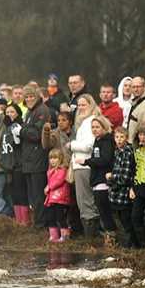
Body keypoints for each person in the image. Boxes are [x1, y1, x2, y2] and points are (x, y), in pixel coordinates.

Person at [67, 95, 102, 237]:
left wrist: (72, 145)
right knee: (85, 200)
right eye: (79, 105)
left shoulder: (89, 123)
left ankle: (91, 236)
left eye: (84, 105)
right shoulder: (84, 121)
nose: (80, 108)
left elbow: (89, 145)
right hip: (81, 165)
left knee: (85, 200)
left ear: (91, 105)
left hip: (84, 165)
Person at [80, 115, 117, 239]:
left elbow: (105, 160)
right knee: (101, 208)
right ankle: (108, 233)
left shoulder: (107, 140)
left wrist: (87, 161)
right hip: (96, 178)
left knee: (104, 207)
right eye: (93, 127)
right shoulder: (98, 140)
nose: (94, 129)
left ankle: (112, 235)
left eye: (97, 127)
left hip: (104, 179)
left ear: (104, 127)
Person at [20, 84, 52, 226]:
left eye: (32, 96)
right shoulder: (28, 112)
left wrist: (21, 131)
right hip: (29, 159)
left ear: (37, 96)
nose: (29, 99)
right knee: (33, 195)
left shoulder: (42, 110)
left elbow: (37, 134)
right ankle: (37, 222)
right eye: (26, 97)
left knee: (39, 194)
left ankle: (41, 223)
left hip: (38, 158)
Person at [107, 127, 136, 248]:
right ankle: (125, 242)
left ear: (126, 138)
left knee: (126, 218)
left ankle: (131, 243)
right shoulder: (117, 151)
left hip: (123, 192)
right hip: (115, 192)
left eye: (122, 137)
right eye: (117, 137)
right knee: (119, 217)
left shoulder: (127, 153)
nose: (119, 140)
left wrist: (111, 178)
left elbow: (124, 177)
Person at [43, 148, 71, 242]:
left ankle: (65, 236)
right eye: (51, 158)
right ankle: (53, 235)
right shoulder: (50, 170)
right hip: (52, 198)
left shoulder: (62, 170)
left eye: (55, 158)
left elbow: (58, 181)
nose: (52, 160)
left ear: (60, 159)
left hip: (60, 198)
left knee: (60, 217)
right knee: (51, 217)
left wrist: (49, 187)